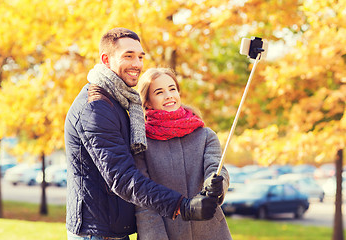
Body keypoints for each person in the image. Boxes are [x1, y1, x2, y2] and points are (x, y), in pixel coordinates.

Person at [64, 28, 223, 240]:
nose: (137, 64)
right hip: (97, 231)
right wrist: (182, 206)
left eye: (140, 57)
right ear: (106, 59)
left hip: (111, 228)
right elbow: (122, 177)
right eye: (128, 56)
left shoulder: (118, 100)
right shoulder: (96, 107)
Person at [135, 67, 232, 240]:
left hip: (211, 232)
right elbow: (143, 202)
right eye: (159, 92)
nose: (169, 95)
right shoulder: (142, 143)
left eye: (172, 89)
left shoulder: (205, 135)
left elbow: (216, 168)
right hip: (166, 232)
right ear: (147, 102)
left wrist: (216, 183)